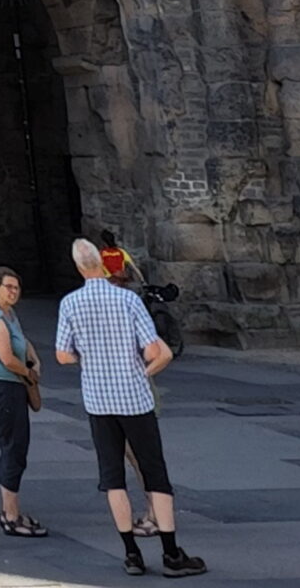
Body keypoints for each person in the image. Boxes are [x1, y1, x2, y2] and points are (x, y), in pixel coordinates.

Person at [57, 236, 203, 578]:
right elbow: (154, 350)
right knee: (155, 473)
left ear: (79, 268)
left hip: (98, 399)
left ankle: (131, 553)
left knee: (113, 478)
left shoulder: (70, 304)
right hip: (134, 397)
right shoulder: (127, 300)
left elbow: (62, 355)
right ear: (103, 265)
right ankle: (170, 553)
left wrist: (88, 357)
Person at [0, 266, 45, 539]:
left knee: (17, 447)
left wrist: (34, 356)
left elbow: (22, 342)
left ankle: (12, 510)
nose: (13, 292)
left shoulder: (10, 314)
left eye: (16, 287)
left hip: (11, 387)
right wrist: (29, 373)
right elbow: (7, 358)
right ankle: (11, 514)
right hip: (2, 387)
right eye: (8, 287)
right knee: (13, 448)